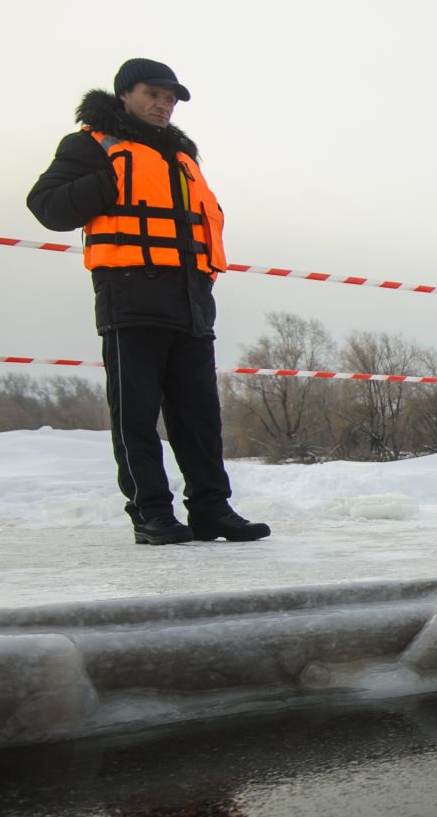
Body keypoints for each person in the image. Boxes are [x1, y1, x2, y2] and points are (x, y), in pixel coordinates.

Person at [27, 58, 269, 545]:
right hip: (130, 299)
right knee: (135, 416)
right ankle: (151, 514)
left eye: (171, 99)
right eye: (152, 95)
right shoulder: (91, 145)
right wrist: (109, 179)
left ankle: (211, 509)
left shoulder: (181, 158)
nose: (164, 105)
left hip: (191, 303)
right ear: (124, 95)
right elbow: (46, 207)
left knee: (200, 416)